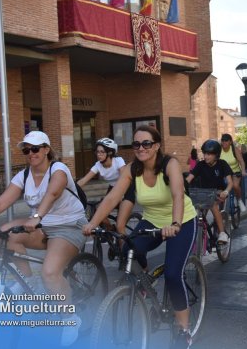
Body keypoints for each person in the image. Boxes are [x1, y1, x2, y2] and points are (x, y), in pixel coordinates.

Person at [0, 131, 86, 346]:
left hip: (69, 225)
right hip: (42, 226)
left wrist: (37, 216)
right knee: (4, 233)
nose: (31, 153)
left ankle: (70, 318)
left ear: (46, 149)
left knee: (50, 271)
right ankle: (30, 282)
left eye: (35, 149)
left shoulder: (58, 169)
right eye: (26, 150)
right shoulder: (24, 176)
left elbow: (53, 193)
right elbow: (2, 203)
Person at [83, 125, 196, 349]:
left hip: (181, 221)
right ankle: (146, 283)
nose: (141, 148)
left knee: (173, 274)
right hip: (152, 220)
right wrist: (92, 223)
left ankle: (184, 329)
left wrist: (174, 224)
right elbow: (112, 198)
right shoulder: (131, 169)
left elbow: (177, 195)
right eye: (136, 144)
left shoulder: (169, 164)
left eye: (146, 143)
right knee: (128, 250)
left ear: (156, 146)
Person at [77, 138, 133, 229]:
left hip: (126, 188)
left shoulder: (118, 161)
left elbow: (124, 178)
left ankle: (121, 237)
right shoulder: (98, 165)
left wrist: (119, 196)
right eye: (97, 152)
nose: (99, 154)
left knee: (120, 224)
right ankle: (110, 231)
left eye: (102, 152)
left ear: (110, 153)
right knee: (99, 212)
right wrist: (72, 189)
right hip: (112, 188)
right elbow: (84, 180)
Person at [186, 139, 233, 244]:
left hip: (218, 193)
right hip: (203, 194)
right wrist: (181, 187)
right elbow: (189, 179)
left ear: (216, 155)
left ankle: (222, 233)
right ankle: (200, 235)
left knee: (212, 205)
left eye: (209, 154)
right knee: (198, 214)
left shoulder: (222, 164)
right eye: (205, 153)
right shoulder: (200, 165)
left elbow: (230, 182)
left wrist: (226, 191)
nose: (206, 156)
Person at [219, 133, 247, 212]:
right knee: (220, 188)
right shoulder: (219, 150)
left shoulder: (234, 150)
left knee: (235, 186)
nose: (224, 142)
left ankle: (239, 200)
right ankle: (221, 207)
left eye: (226, 141)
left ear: (230, 142)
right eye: (222, 140)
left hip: (235, 172)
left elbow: (241, 161)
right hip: (224, 173)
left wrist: (243, 170)